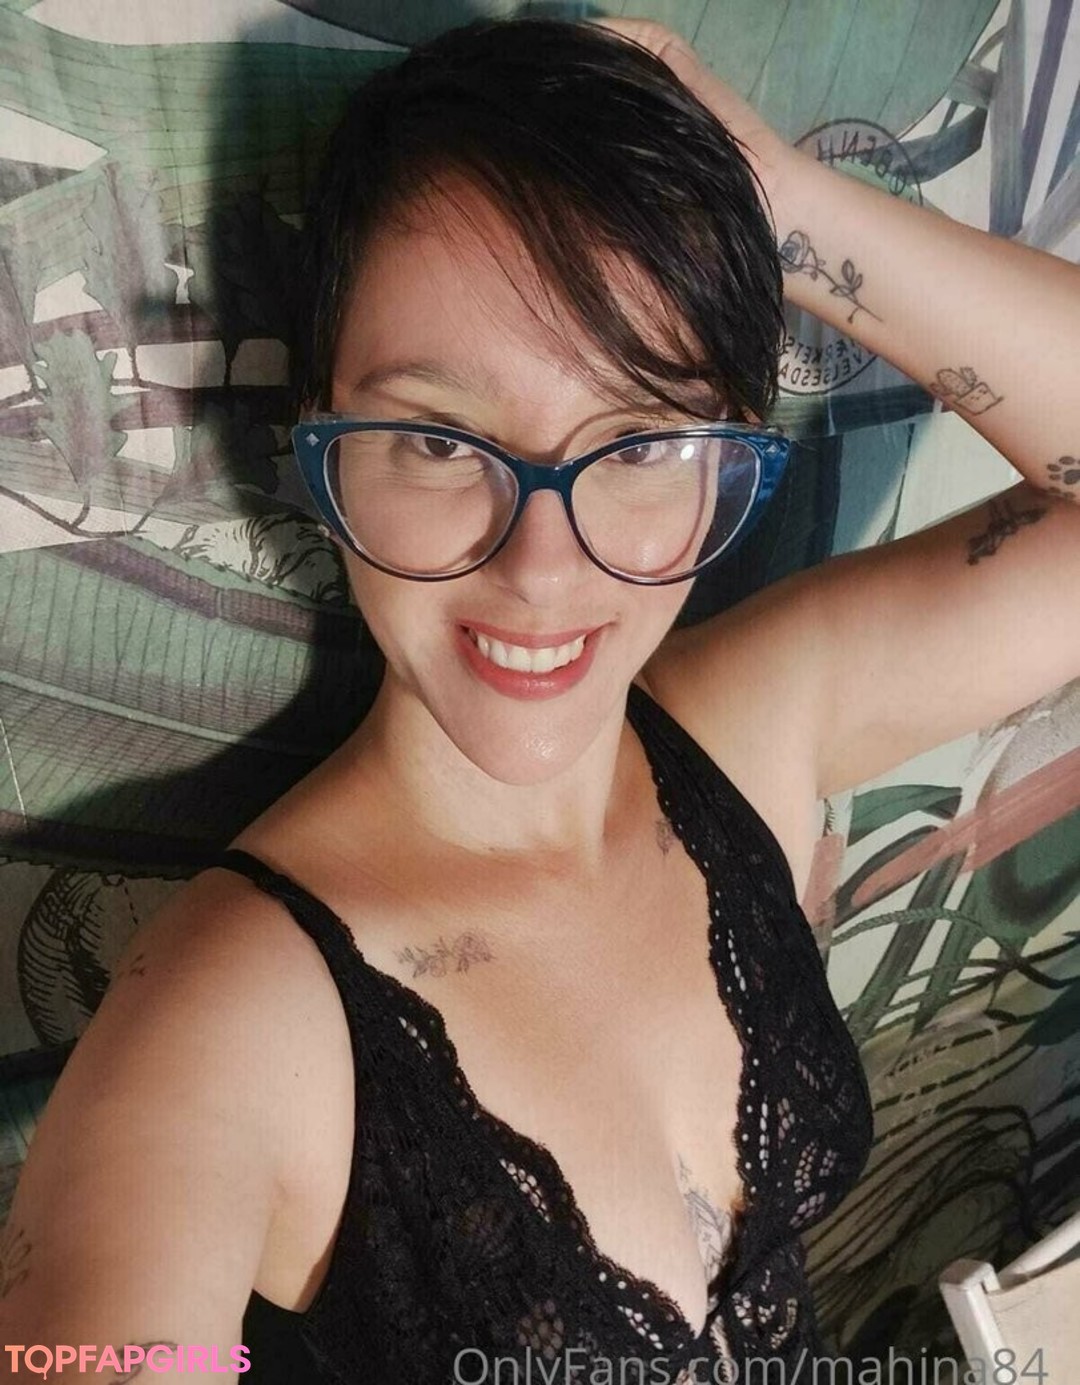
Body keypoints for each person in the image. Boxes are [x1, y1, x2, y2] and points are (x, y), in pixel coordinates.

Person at [2, 14, 1078, 1384]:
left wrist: (778, 209)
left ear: (724, 449)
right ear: (319, 438)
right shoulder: (231, 1026)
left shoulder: (741, 735)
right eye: (439, 439)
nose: (541, 567)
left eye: (638, 443)